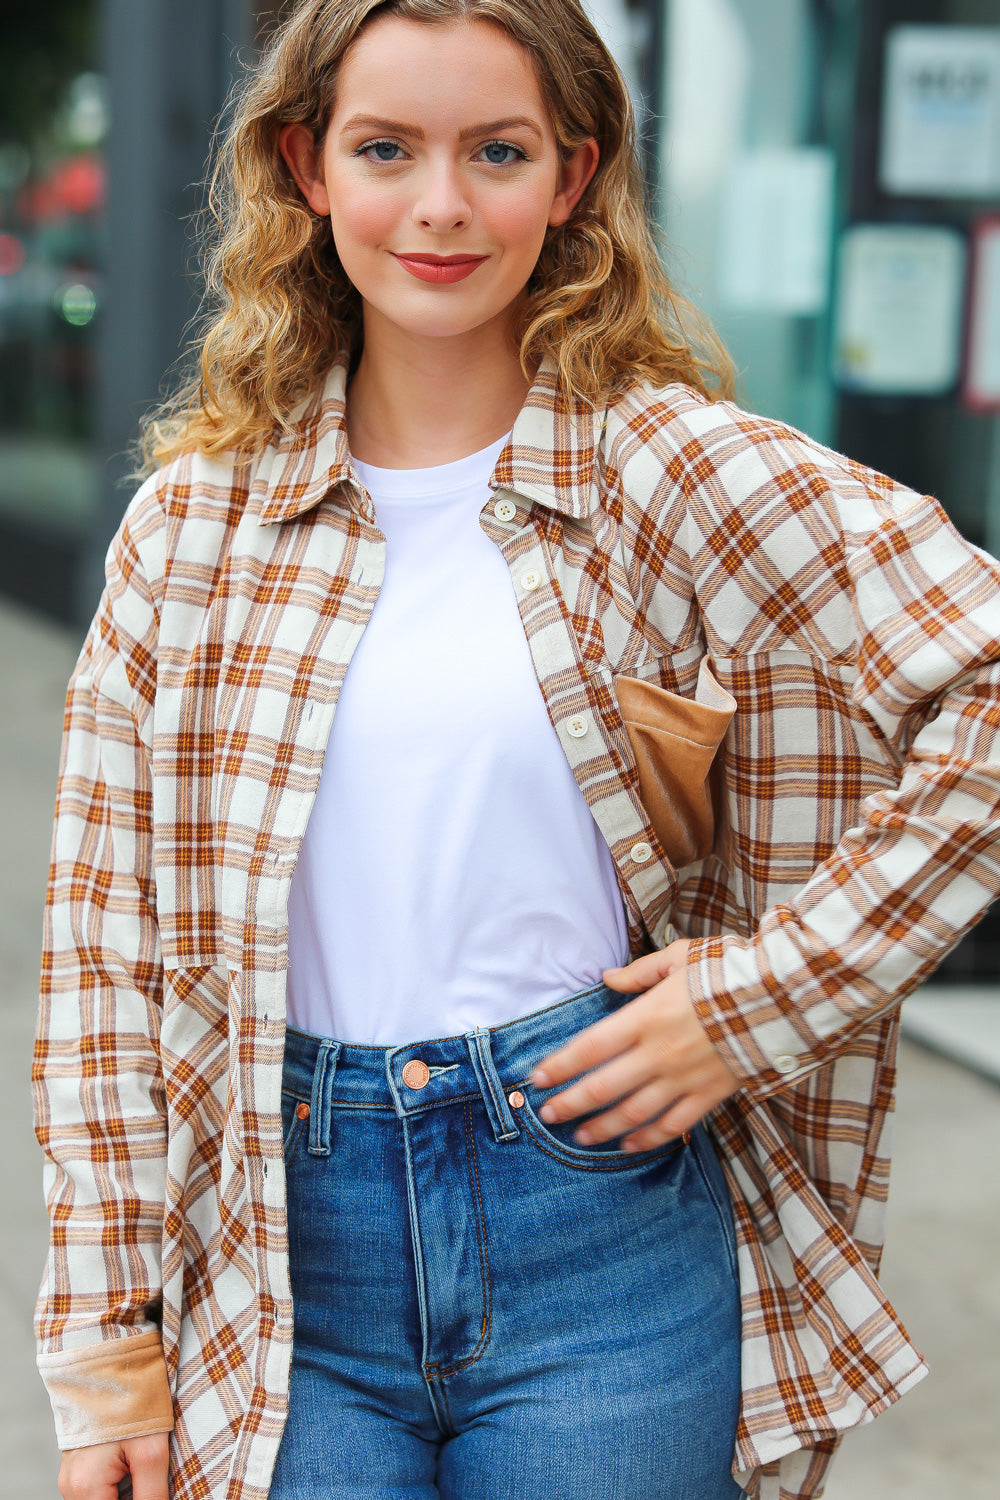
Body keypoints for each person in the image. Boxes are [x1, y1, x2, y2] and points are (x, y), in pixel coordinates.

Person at [32, 1, 1000, 1498]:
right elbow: (102, 951)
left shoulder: (674, 474)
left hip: (599, 1230)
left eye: (497, 150)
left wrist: (761, 1002)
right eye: (385, 148)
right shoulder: (192, 530)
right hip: (281, 1259)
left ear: (573, 176)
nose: (439, 204)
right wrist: (104, 1357)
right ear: (307, 168)